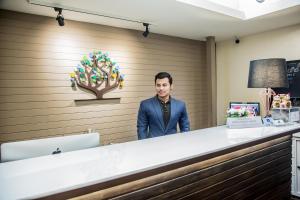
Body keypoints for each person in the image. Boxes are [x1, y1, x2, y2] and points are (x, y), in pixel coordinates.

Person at [137, 72, 190, 139]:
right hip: (153, 145)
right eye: (158, 85)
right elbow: (141, 129)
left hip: (174, 144)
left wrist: (185, 143)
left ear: (171, 86)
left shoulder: (180, 105)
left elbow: (185, 127)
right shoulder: (145, 105)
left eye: (164, 85)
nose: (161, 88)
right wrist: (143, 146)